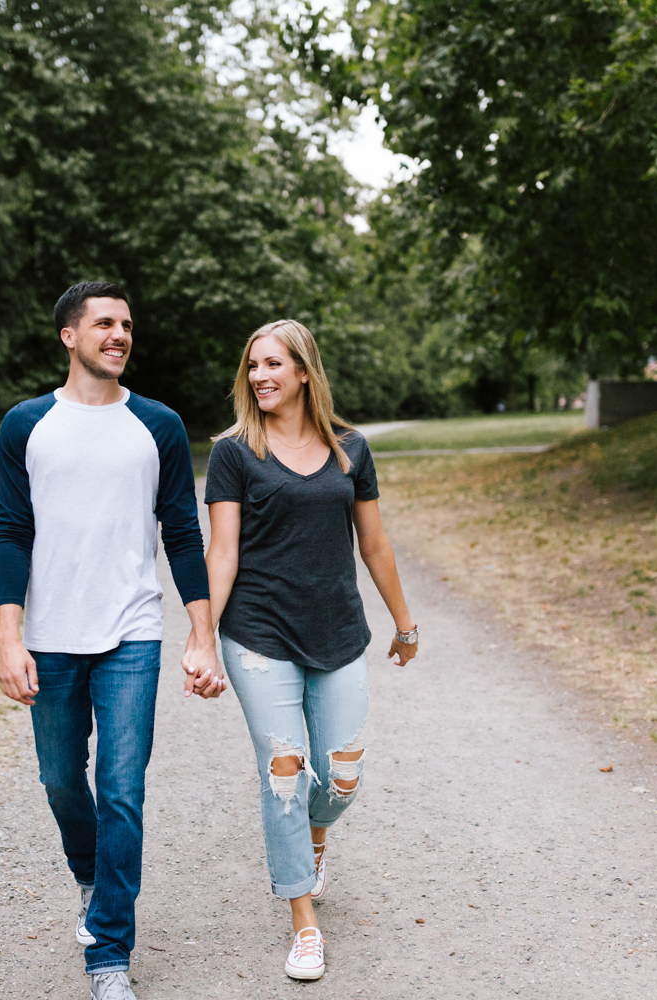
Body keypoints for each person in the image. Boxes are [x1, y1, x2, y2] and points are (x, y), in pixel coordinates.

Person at [0, 281, 223, 1000]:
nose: (119, 334)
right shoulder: (26, 424)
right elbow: (11, 530)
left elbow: (182, 533)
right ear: (69, 336)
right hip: (53, 637)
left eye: (126, 324)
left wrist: (201, 630)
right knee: (63, 783)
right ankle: (93, 878)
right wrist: (10, 636)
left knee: (122, 792)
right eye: (104, 324)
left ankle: (109, 955)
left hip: (131, 634)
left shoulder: (158, 425)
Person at [202, 319, 418, 981]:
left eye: (273, 365)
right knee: (285, 776)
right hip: (259, 634)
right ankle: (304, 925)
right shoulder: (234, 453)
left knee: (343, 778)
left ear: (303, 372)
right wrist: (202, 638)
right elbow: (224, 550)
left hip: (338, 632)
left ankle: (315, 840)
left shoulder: (349, 449)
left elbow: (374, 546)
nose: (260, 376)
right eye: (253, 367)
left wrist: (404, 625)